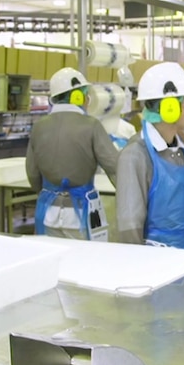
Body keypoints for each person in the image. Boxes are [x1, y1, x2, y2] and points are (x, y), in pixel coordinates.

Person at [26, 68, 118, 240]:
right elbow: (115, 168)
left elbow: (32, 173)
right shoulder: (91, 125)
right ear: (78, 96)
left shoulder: (39, 127)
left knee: (55, 263)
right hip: (83, 214)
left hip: (47, 213)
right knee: (87, 263)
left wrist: (50, 192)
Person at [116, 62, 184, 249]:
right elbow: (130, 226)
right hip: (154, 265)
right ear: (170, 108)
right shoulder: (135, 156)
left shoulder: (180, 152)